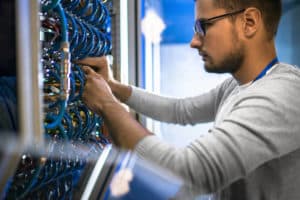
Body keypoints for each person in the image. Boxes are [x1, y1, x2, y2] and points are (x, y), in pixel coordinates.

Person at [78, 0, 300, 199]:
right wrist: (114, 88)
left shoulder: (284, 93)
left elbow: (186, 174)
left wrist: (107, 105)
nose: (194, 42)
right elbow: (180, 110)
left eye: (204, 26)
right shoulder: (236, 86)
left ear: (249, 22)